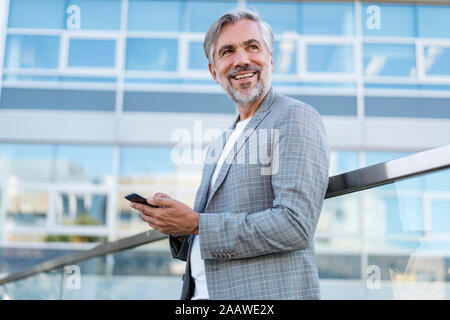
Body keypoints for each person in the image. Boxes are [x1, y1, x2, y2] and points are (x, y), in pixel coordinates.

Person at [130, 8, 330, 300]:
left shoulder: (295, 117)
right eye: (227, 51)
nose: (242, 60)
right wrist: (179, 227)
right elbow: (209, 238)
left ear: (270, 58)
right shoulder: (220, 143)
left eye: (252, 46)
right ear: (214, 71)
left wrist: (196, 223)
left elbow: (295, 225)